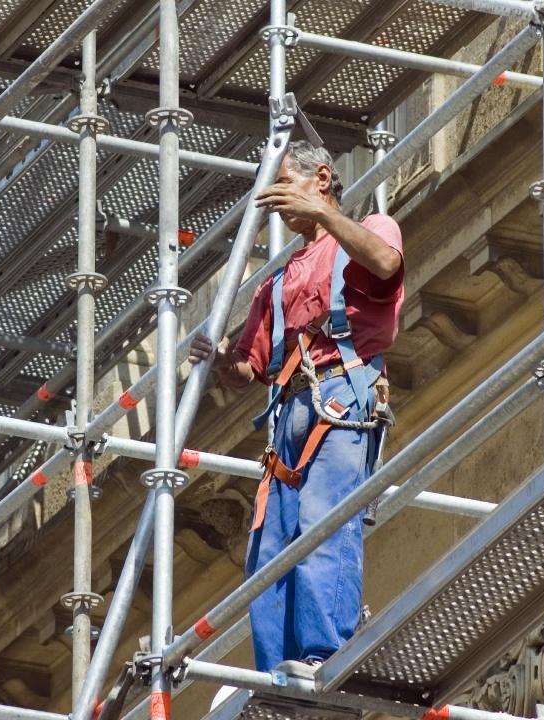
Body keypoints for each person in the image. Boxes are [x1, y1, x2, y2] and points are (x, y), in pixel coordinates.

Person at [189, 141, 404, 678]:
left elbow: (384, 264)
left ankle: (322, 654)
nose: (279, 201)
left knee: (322, 527)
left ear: (323, 178)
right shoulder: (278, 279)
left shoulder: (371, 230)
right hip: (289, 419)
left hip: (341, 401)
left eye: (286, 184)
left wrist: (325, 216)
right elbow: (249, 370)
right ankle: (275, 670)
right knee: (270, 551)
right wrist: (217, 359)